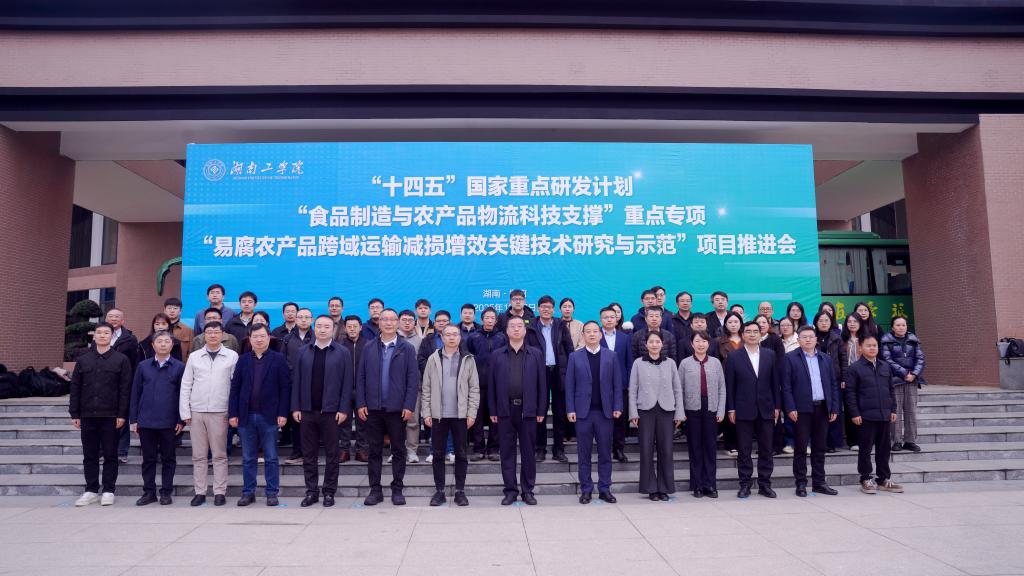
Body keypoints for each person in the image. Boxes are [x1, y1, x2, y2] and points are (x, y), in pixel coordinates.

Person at [357, 309, 420, 506]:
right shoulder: (368, 347)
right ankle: (375, 490)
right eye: (385, 319)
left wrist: (409, 404)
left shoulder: (406, 348)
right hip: (373, 409)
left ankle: (397, 489)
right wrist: (361, 402)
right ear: (379, 322)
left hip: (397, 409)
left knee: (399, 450)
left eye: (393, 319)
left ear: (398, 323)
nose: (389, 323)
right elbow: (361, 377)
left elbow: (413, 379)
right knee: (374, 450)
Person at [291, 315, 352, 507]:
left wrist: (343, 408)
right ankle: (311, 491)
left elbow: (347, 383)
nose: (323, 329)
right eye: (319, 326)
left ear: (333, 329)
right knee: (309, 454)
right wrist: (296, 407)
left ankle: (329, 492)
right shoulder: (303, 351)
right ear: (314, 328)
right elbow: (296, 381)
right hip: (307, 411)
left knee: (332, 454)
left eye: (327, 326)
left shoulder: (342, 352)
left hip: (332, 412)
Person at [229, 324, 291, 507]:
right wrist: (233, 413)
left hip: (269, 415)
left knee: (271, 457)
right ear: (249, 339)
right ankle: (248, 492)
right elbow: (235, 388)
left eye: (262, 336)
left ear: (269, 337)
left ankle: (272, 492)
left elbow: (285, 388)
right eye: (255, 336)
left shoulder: (278, 359)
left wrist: (283, 413)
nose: (259, 339)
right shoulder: (243, 360)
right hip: (246, 416)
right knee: (248, 457)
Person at [70, 322, 132, 507]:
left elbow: (125, 389)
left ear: (112, 336)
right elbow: (75, 387)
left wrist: (122, 414)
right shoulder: (83, 360)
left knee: (111, 454)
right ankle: (90, 490)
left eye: (106, 333)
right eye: (99, 332)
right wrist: (75, 413)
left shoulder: (121, 360)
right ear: (94, 336)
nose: (103, 335)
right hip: (87, 414)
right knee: (90, 454)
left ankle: (108, 490)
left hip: (111, 415)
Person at [488, 316, 546, 506]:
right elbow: (491, 385)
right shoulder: (497, 355)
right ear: (506, 331)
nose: (516, 329)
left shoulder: (536, 354)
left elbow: (542, 385)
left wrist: (541, 409)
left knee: (529, 452)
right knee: (507, 452)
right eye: (512, 326)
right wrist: (493, 409)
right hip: (505, 410)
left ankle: (527, 490)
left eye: (519, 326)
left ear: (525, 330)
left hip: (528, 410)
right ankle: (510, 490)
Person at [180, 321, 238, 507]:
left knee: (219, 455)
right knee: (199, 455)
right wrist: (185, 410)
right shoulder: (195, 356)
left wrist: (232, 411)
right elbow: (186, 384)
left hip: (220, 411)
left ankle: (220, 491)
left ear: (222, 335)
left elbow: (235, 386)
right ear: (204, 335)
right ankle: (200, 491)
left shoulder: (232, 356)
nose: (213, 335)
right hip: (197, 411)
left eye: (216, 332)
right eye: (209, 332)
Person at [421, 325, 480, 506]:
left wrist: (471, 413)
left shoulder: (468, 359)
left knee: (461, 454)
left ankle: (460, 491)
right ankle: (439, 491)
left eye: (455, 334)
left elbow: (474, 388)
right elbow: (426, 387)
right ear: (442, 337)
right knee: (438, 454)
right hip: (438, 415)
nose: (452, 337)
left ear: (460, 337)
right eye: (448, 335)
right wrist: (426, 412)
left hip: (461, 415)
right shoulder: (433, 359)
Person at [566, 321, 623, 504]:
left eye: (595, 331)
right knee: (584, 454)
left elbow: (617, 384)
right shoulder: (575, 357)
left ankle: (605, 488)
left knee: (605, 453)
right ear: (583, 335)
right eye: (588, 332)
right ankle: (586, 489)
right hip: (583, 413)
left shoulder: (611, 356)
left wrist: (617, 406)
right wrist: (570, 408)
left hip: (605, 413)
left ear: (600, 334)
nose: (591, 334)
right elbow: (569, 385)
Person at [782, 326, 841, 497]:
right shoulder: (790, 358)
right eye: (804, 337)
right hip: (801, 410)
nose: (808, 339)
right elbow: (786, 386)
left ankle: (819, 482)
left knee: (819, 447)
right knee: (800, 448)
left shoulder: (825, 358)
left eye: (811, 337)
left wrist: (834, 407)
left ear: (816, 339)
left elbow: (833, 384)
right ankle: (801, 483)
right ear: (798, 340)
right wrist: (790, 407)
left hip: (822, 408)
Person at [726, 321, 781, 499]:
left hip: (766, 408)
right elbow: (730, 385)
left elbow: (775, 383)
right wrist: (731, 408)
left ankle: (765, 484)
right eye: (748, 331)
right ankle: (745, 484)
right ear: (743, 335)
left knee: (766, 449)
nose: (752, 334)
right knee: (744, 450)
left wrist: (777, 406)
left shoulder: (770, 355)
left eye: (755, 331)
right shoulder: (734, 356)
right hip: (743, 408)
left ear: (760, 334)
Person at [129, 330, 185, 506]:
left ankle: (166, 492)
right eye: (159, 341)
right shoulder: (143, 366)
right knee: (148, 459)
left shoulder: (179, 367)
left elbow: (183, 395)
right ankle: (149, 492)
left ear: (172, 345)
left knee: (168, 459)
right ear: (153, 345)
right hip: (146, 421)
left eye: (166, 341)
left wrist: (181, 420)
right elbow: (135, 393)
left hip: (169, 422)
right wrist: (133, 419)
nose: (163, 344)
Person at [628, 330, 683, 501]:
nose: (654, 344)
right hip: (645, 410)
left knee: (666, 450)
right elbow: (633, 389)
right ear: (646, 345)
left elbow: (677, 389)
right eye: (651, 342)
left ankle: (664, 488)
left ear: (662, 344)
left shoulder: (670, 363)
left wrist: (679, 413)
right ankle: (651, 488)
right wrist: (633, 412)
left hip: (666, 410)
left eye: (657, 342)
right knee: (646, 449)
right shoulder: (638, 363)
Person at [845, 334, 903, 494]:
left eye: (874, 345)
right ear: (860, 348)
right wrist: (854, 413)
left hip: (884, 415)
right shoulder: (854, 369)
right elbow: (850, 393)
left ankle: (883, 479)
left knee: (884, 449)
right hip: (865, 416)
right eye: (868, 345)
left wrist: (893, 409)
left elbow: (891, 390)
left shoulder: (885, 366)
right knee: (865, 449)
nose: (872, 348)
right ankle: (865, 478)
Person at [526, 295, 574, 463]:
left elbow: (569, 348)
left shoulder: (560, 325)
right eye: (543, 307)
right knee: (540, 411)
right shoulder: (531, 327)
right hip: (539, 373)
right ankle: (540, 449)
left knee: (559, 413)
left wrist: (570, 371)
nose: (546, 309)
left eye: (549, 307)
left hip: (559, 372)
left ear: (553, 310)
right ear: (538, 309)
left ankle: (558, 449)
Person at [678, 331, 725, 499]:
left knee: (710, 448)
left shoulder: (716, 363)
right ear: (692, 344)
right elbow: (679, 389)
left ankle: (710, 485)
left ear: (708, 344)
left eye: (704, 341)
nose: (701, 344)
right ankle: (697, 485)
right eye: (697, 341)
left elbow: (722, 388)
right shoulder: (685, 363)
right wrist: (680, 412)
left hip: (711, 409)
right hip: (692, 410)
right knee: (695, 448)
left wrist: (721, 410)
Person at [466, 307, 506, 461]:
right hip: (477, 384)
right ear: (481, 319)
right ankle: (478, 449)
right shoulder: (473, 337)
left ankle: (494, 449)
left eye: (492, 318)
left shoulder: (502, 338)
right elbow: (467, 357)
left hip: (496, 385)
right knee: (477, 418)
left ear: (496, 321)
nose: (489, 320)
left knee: (495, 418)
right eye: (487, 318)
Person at [881, 315, 926, 453]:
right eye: (898, 325)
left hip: (912, 380)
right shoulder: (886, 341)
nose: (901, 327)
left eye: (904, 325)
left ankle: (910, 441)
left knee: (911, 411)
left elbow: (920, 359)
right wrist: (904, 373)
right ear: (892, 327)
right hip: (895, 381)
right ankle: (896, 441)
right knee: (895, 412)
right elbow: (887, 360)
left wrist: (914, 374)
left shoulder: (913, 340)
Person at [600, 306, 634, 463]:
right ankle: (604, 449)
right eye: (605, 317)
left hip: (621, 385)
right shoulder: (596, 336)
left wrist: (629, 383)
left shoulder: (624, 338)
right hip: (600, 385)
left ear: (617, 319)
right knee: (603, 419)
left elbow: (629, 362)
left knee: (620, 419)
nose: (609, 320)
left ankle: (619, 449)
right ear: (601, 319)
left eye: (612, 317)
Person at [106, 308, 140, 463]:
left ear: (123, 320)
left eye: (117, 317)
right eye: (110, 316)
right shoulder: (100, 335)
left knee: (122, 418)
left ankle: (121, 452)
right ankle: (104, 451)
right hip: (103, 385)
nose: (113, 319)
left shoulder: (130, 339)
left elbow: (135, 363)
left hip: (123, 384)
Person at [280, 308, 313, 465]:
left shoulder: (316, 337)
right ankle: (297, 450)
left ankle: (309, 451)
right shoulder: (288, 338)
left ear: (312, 320)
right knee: (295, 419)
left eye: (307, 317)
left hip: (313, 385)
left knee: (311, 419)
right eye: (301, 317)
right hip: (293, 384)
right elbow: (282, 360)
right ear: (296, 319)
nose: (303, 320)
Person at [814, 311, 849, 452]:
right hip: (815, 379)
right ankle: (819, 441)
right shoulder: (812, 337)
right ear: (816, 322)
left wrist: (844, 378)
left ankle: (832, 443)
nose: (824, 323)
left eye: (827, 320)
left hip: (834, 379)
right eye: (821, 320)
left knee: (834, 410)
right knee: (819, 412)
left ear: (831, 322)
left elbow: (843, 360)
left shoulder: (837, 338)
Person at [339, 314, 369, 463]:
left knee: (362, 421)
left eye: (355, 326)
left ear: (360, 327)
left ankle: (361, 450)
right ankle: (343, 450)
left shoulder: (368, 345)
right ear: (345, 328)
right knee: (343, 422)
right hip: (343, 389)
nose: (352, 329)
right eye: (349, 326)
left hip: (363, 389)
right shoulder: (339, 345)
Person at [399, 309, 424, 464]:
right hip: (395, 387)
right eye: (404, 320)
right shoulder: (392, 338)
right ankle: (397, 450)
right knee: (395, 421)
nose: (407, 323)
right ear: (398, 321)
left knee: (413, 420)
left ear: (414, 322)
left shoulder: (420, 341)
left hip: (414, 387)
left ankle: (412, 450)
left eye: (410, 320)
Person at [841, 313, 865, 450]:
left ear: (860, 323)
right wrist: (843, 378)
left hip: (864, 378)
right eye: (849, 321)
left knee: (864, 407)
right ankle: (853, 441)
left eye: (855, 321)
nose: (852, 324)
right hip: (848, 378)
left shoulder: (866, 339)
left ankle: (865, 439)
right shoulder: (842, 340)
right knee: (850, 408)